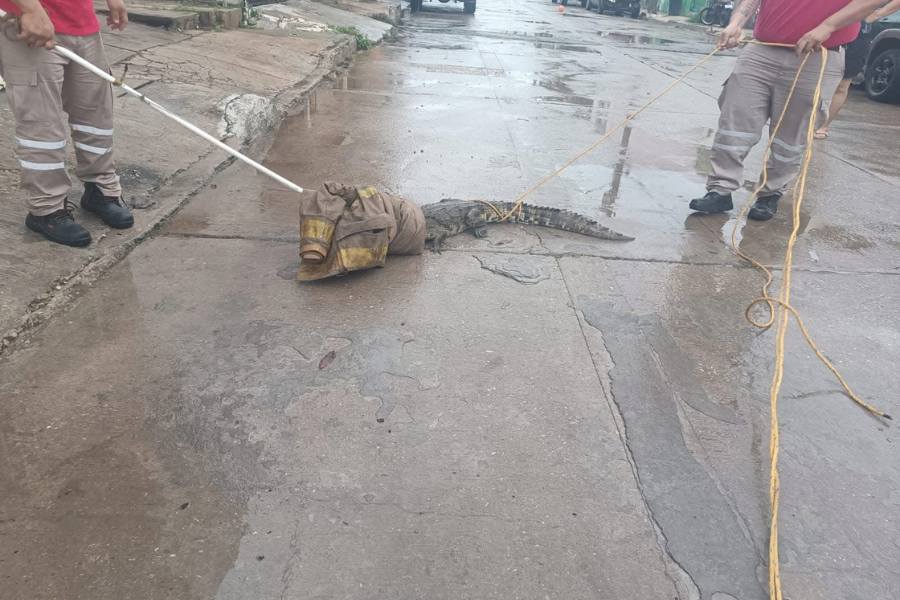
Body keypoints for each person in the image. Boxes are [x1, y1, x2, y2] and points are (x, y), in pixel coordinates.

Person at [689, 0, 885, 222]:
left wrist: (827, 26)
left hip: (818, 53)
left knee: (792, 135)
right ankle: (720, 189)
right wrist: (736, 22)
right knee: (734, 122)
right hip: (761, 48)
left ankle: (770, 193)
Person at [0, 0, 133, 247]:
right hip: (31, 23)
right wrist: (30, 9)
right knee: (41, 125)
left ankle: (101, 190)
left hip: (83, 24)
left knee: (95, 116)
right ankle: (46, 209)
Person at [816, 0, 900, 139]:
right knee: (812, 78)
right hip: (825, 25)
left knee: (843, 84)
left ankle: (822, 126)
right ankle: (803, 122)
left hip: (860, 34)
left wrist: (877, 14)